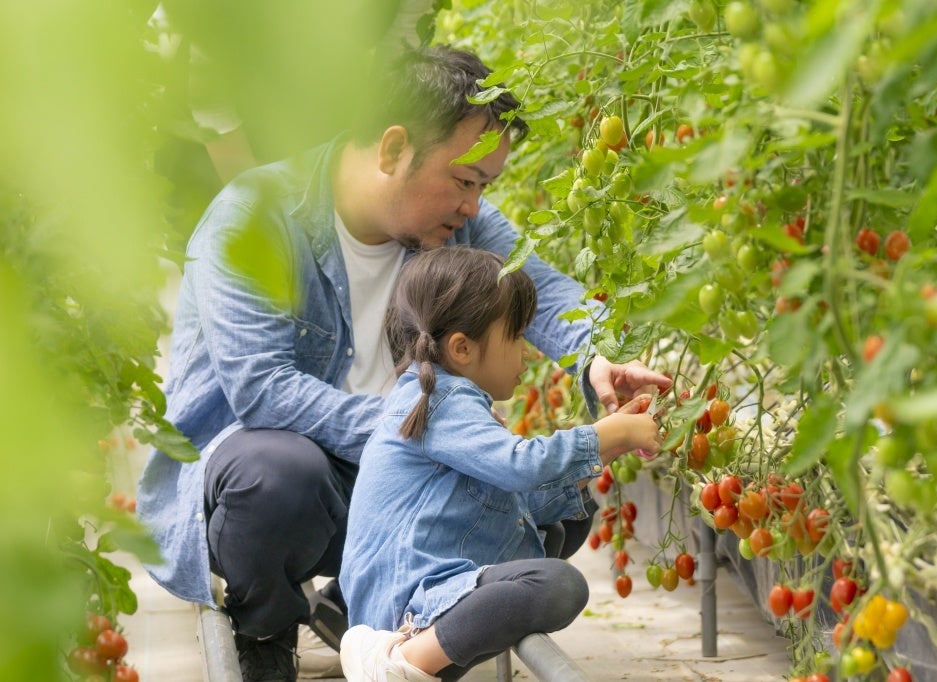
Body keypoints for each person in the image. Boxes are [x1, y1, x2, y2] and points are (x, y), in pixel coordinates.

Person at [136, 44, 671, 682]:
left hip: (391, 479)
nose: (474, 205)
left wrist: (597, 356)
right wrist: (425, 427)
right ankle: (266, 622)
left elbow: (539, 287)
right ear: (392, 150)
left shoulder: (454, 220)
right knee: (281, 473)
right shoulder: (252, 222)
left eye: (483, 187)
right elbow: (264, 390)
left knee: (551, 492)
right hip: (282, 480)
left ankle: (384, 612)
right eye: (466, 180)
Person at [339, 247, 662, 682]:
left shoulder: (442, 394)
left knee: (572, 515)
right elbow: (520, 467)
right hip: (407, 598)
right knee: (561, 584)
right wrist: (612, 434)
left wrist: (603, 449)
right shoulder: (441, 400)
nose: (526, 354)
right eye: (517, 337)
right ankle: (400, 661)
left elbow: (520, 495)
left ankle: (428, 653)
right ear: (462, 348)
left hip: (431, 577)